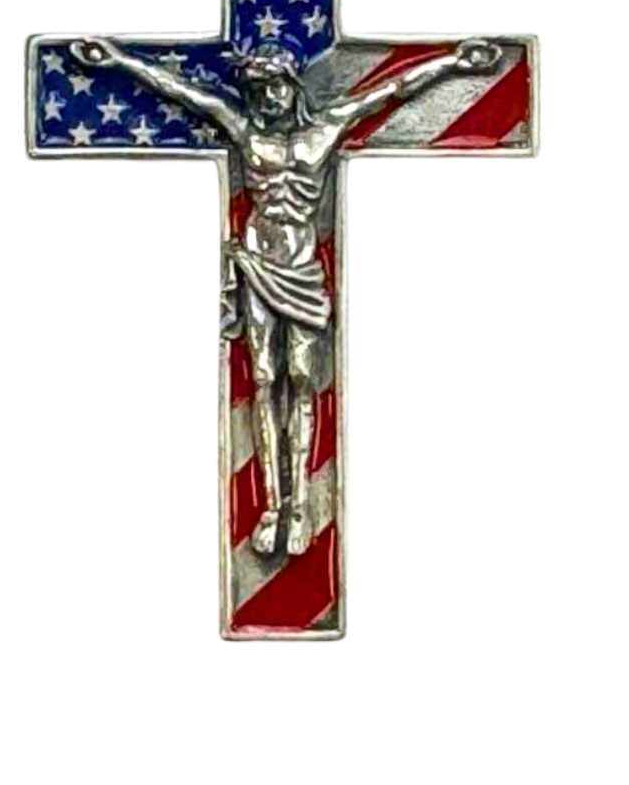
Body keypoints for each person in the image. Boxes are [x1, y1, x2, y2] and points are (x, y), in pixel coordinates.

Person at [71, 35, 502, 554]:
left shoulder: (326, 129)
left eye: (275, 86)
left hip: (301, 269)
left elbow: (392, 90)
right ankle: (273, 506)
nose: (268, 98)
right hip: (257, 264)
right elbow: (185, 93)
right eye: (259, 89)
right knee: (262, 378)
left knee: (301, 378)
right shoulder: (247, 134)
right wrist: (119, 61)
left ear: (293, 86)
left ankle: (301, 506)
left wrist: (454, 62)